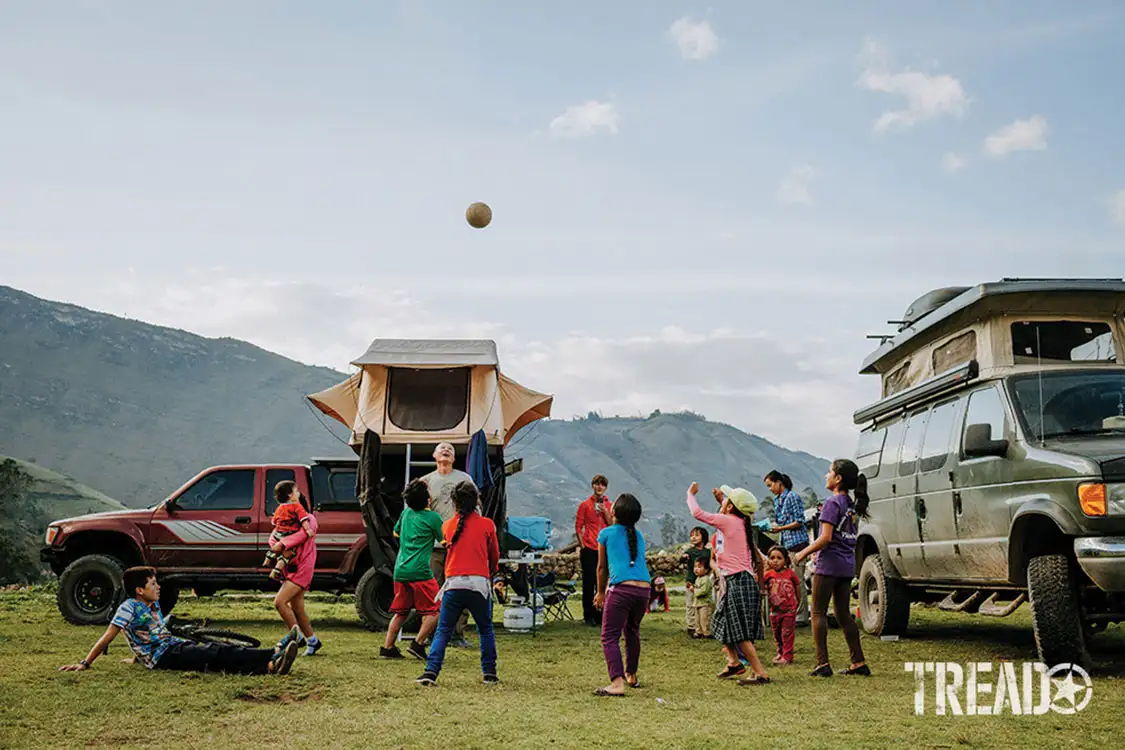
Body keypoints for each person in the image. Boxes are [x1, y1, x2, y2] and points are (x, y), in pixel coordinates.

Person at [59, 566, 299, 676]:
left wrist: (136, 658)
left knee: (215, 656)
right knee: (215, 652)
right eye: (153, 583)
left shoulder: (150, 606)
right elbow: (108, 636)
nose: (158, 586)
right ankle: (274, 652)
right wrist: (84, 663)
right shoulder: (128, 607)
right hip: (165, 655)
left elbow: (141, 636)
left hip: (170, 647)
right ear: (139, 590)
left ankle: (269, 666)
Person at [416, 481, 500, 686]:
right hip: (479, 584)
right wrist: (492, 573)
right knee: (485, 629)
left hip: (453, 584)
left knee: (443, 630)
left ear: (454, 502)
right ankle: (489, 672)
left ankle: (431, 672)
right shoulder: (487, 525)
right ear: (477, 501)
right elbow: (494, 556)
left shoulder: (447, 525)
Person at [686, 481, 770, 686]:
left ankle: (760, 672)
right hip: (740, 580)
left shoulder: (728, 521)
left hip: (737, 581)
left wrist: (690, 494)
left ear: (731, 507)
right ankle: (734, 662)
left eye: (727, 501)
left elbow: (697, 513)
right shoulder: (741, 522)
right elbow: (731, 512)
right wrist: (723, 501)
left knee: (739, 632)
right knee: (720, 622)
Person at [793, 459, 871, 677]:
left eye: (830, 472)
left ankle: (822, 664)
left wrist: (803, 553)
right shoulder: (852, 506)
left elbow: (826, 537)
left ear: (838, 479)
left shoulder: (832, 503)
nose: (826, 476)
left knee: (817, 612)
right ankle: (858, 661)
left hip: (828, 565)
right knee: (843, 614)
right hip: (846, 565)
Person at [592, 493, 650, 697]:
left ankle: (617, 682)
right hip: (644, 589)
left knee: (609, 636)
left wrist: (600, 592)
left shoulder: (606, 534)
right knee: (632, 631)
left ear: (613, 511)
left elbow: (601, 568)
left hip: (622, 590)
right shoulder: (638, 535)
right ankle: (631, 674)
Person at [381, 479, 444, 661]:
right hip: (420, 571)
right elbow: (445, 541)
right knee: (435, 610)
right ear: (427, 499)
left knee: (401, 612)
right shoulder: (433, 518)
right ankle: (418, 644)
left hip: (400, 570)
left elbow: (396, 533)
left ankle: (388, 647)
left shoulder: (406, 513)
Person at [423, 442, 477, 648]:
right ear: (434, 455)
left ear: (454, 458)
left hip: (460, 544)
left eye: (450, 450)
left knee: (461, 588)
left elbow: (475, 508)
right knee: (433, 590)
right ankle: (430, 633)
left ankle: (457, 634)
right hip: (435, 547)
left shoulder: (464, 479)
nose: (446, 450)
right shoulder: (426, 481)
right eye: (442, 448)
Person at [271, 481, 323, 657]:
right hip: (291, 568)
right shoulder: (286, 521)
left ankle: (297, 637)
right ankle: (313, 641)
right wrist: (276, 544)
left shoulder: (310, 520)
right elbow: (274, 535)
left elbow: (301, 536)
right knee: (298, 609)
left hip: (301, 568)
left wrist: (281, 544)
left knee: (279, 602)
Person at [765, 470, 811, 627]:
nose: (770, 489)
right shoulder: (778, 501)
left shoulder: (792, 497)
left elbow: (799, 521)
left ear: (779, 482)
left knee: (797, 580)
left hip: (797, 543)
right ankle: (793, 612)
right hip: (786, 544)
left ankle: (801, 616)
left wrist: (781, 528)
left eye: (771, 485)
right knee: (789, 580)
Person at [575, 474, 613, 626]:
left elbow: (612, 525)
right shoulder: (585, 505)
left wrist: (604, 512)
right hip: (589, 548)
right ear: (593, 486)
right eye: (597, 484)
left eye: (602, 485)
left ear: (605, 488)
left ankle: (601, 613)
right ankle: (588, 614)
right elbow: (578, 526)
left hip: (604, 548)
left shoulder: (609, 505)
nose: (599, 487)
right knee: (588, 582)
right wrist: (583, 545)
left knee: (602, 583)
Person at [763, 546, 801, 664]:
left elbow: (798, 586)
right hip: (774, 610)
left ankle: (787, 656)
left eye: (779, 558)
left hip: (789, 610)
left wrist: (798, 600)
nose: (775, 560)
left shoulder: (790, 573)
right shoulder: (767, 575)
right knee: (777, 633)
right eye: (772, 558)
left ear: (785, 560)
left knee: (787, 633)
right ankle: (780, 653)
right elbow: (761, 586)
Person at [263, 484, 306, 581]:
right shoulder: (296, 507)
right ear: (290, 495)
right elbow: (304, 526)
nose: (298, 493)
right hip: (289, 539)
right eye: (297, 491)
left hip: (278, 536)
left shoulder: (279, 508)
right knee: (287, 555)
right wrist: (308, 530)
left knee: (278, 550)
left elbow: (273, 522)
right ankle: (276, 570)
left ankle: (269, 557)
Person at [681, 526, 711, 636]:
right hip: (691, 582)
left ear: (704, 537)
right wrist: (684, 557)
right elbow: (682, 559)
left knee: (704, 606)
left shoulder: (708, 552)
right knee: (690, 605)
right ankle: (691, 627)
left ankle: (704, 627)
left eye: (696, 535)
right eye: (691, 535)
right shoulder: (690, 552)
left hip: (704, 583)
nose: (693, 537)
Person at [691, 557, 715, 639]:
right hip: (698, 603)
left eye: (699, 567)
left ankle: (706, 633)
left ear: (706, 570)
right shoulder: (698, 579)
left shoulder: (706, 579)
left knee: (704, 619)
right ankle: (698, 632)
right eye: (695, 567)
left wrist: (694, 590)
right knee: (697, 619)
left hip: (705, 604)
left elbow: (703, 591)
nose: (696, 569)